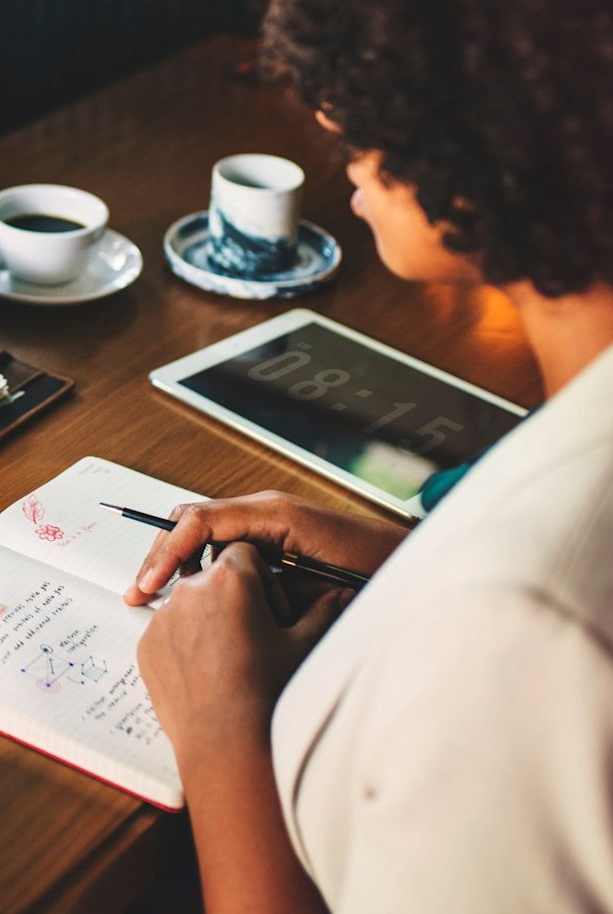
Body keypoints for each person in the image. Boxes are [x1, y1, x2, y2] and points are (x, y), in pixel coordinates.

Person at [125, 1, 613, 911]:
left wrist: (222, 731)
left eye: (368, 77)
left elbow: (541, 632)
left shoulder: (526, 628)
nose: (328, 118)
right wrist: (411, 569)